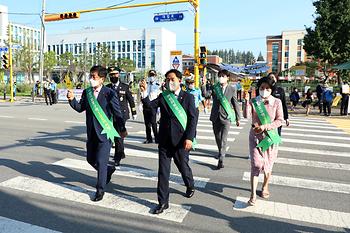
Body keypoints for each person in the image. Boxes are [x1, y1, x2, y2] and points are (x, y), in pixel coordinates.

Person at [140, 69, 197, 214]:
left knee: (183, 167)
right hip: (165, 141)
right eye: (167, 79)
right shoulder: (163, 96)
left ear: (179, 80)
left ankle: (190, 184)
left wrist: (190, 138)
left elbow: (192, 120)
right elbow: (149, 106)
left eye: (172, 79)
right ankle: (163, 202)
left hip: (181, 141)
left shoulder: (188, 98)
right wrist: (144, 93)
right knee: (163, 173)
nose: (169, 82)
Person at [67, 65, 127, 202]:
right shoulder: (87, 92)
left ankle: (100, 190)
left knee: (100, 161)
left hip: (105, 133)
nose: (91, 79)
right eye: (90, 76)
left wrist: (122, 129)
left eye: (94, 77)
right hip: (91, 133)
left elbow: (118, 113)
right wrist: (71, 100)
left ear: (102, 79)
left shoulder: (109, 93)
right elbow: (80, 108)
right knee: (90, 159)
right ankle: (109, 169)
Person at [243, 76, 283, 206]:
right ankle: (253, 194)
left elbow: (279, 120)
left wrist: (265, 127)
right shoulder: (254, 101)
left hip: (270, 138)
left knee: (268, 165)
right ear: (258, 89)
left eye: (267, 88)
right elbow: (246, 116)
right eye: (262, 88)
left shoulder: (277, 102)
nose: (264, 90)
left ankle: (265, 186)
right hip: (255, 137)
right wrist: (246, 102)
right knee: (256, 165)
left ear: (271, 90)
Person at [210, 69, 241, 169]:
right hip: (215, 116)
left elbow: (235, 103)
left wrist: (238, 118)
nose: (221, 78)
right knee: (218, 138)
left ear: (228, 78)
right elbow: (206, 95)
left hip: (226, 117)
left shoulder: (232, 89)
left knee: (224, 139)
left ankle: (221, 159)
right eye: (220, 76)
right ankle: (220, 152)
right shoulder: (215, 88)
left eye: (223, 76)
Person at [106, 67, 137, 167]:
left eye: (115, 74)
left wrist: (134, 112)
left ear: (118, 75)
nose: (113, 76)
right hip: (110, 115)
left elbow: (131, 100)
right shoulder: (107, 87)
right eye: (111, 75)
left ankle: (117, 157)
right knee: (114, 136)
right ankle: (121, 152)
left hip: (122, 115)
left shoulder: (125, 87)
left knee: (118, 136)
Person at [142, 70, 160, 144]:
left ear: (155, 76)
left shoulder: (158, 85)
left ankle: (157, 138)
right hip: (145, 106)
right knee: (147, 124)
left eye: (153, 75)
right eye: (150, 75)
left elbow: (159, 97)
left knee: (153, 123)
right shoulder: (146, 84)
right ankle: (149, 138)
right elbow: (141, 94)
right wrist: (140, 104)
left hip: (153, 106)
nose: (151, 77)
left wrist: (159, 108)